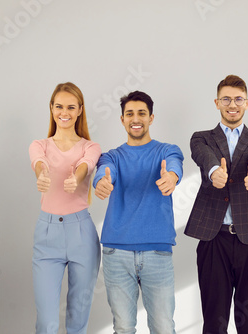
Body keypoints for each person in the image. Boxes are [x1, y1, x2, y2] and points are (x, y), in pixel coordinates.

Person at [185, 74, 248, 333]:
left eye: (237, 99)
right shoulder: (201, 138)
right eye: (226, 99)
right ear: (216, 102)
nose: (232, 104)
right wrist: (214, 172)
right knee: (214, 320)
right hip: (214, 239)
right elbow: (204, 157)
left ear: (247, 103)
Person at [93, 91, 183, 334]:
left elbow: (174, 164)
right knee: (123, 327)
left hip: (157, 252)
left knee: (163, 327)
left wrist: (171, 177)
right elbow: (104, 169)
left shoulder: (166, 151)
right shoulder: (112, 156)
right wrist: (101, 181)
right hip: (117, 252)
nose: (136, 118)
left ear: (151, 118)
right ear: (122, 119)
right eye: (130, 113)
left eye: (142, 113)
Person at [29, 82, 101, 334]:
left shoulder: (90, 147)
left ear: (80, 110)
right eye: (59, 106)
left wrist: (77, 177)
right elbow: (39, 162)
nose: (65, 112)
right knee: (47, 321)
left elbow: (87, 163)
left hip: (81, 233)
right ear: (51, 108)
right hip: (47, 235)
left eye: (71, 107)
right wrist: (42, 173)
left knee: (77, 320)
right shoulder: (40, 145)